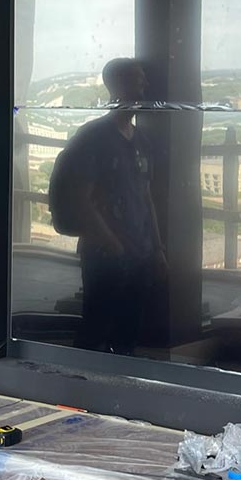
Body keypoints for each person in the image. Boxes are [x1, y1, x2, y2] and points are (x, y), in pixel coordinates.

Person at [49, 58, 166, 354]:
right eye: (139, 81)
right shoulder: (94, 138)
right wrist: (113, 245)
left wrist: (157, 248)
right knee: (96, 330)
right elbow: (80, 198)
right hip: (105, 254)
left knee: (128, 333)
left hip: (138, 253)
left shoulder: (141, 140)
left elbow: (145, 195)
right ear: (120, 86)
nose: (145, 87)